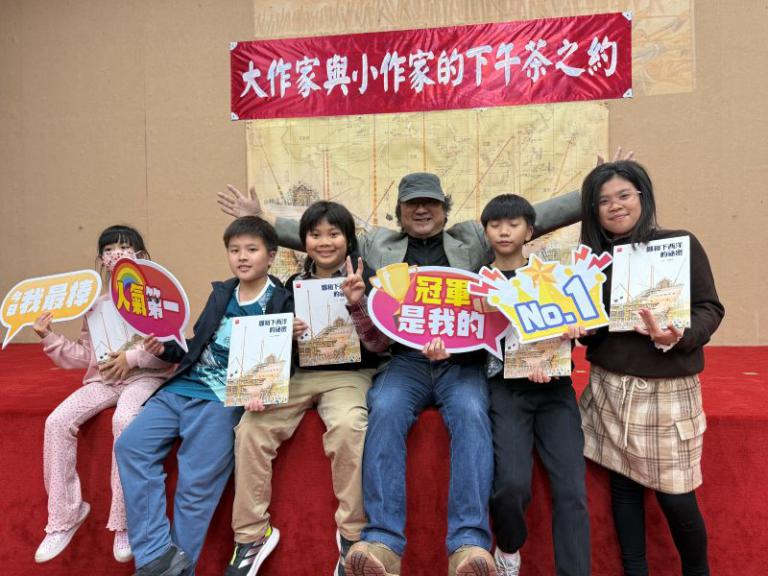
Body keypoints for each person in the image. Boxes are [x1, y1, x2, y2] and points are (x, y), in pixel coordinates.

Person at [114, 216, 293, 576]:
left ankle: (178, 571)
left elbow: (285, 360)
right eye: (234, 250)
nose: (242, 257)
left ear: (271, 256)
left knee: (196, 486)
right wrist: (166, 349)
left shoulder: (283, 300)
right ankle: (156, 556)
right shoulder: (222, 292)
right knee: (130, 446)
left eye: (252, 249)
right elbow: (197, 344)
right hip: (183, 386)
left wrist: (264, 390)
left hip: (223, 398)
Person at [224, 201, 388, 576]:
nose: (325, 242)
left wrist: (358, 305)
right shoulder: (290, 286)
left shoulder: (368, 279)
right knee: (251, 427)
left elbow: (381, 345)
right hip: (299, 377)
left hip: (350, 375)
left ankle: (352, 537)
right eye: (315, 234)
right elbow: (269, 345)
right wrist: (286, 338)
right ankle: (251, 535)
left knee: (348, 426)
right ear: (304, 241)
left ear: (348, 239)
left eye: (334, 234)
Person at [577, 160, 724, 576]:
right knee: (623, 488)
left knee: (677, 496)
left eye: (624, 195)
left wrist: (679, 335)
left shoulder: (679, 243)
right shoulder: (592, 261)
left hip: (667, 390)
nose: (615, 206)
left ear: (643, 196)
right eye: (603, 200)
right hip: (610, 386)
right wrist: (583, 328)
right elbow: (592, 330)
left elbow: (710, 308)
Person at [32, 224, 173, 565]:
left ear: (140, 255)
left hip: (145, 378)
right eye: (109, 250)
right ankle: (65, 515)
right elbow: (86, 355)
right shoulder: (96, 304)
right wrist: (49, 337)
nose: (115, 254)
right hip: (104, 381)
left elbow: (170, 351)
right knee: (57, 421)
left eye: (123, 247)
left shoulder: (156, 296)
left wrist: (133, 358)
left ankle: (124, 522)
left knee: (124, 421)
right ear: (101, 258)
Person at [478, 195, 590, 576]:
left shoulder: (552, 276)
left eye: (513, 224)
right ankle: (508, 550)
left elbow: (572, 329)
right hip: (507, 390)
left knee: (571, 490)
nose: (504, 232)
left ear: (529, 231)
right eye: (495, 225)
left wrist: (574, 332)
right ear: (486, 231)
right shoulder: (479, 283)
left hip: (555, 391)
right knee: (511, 486)